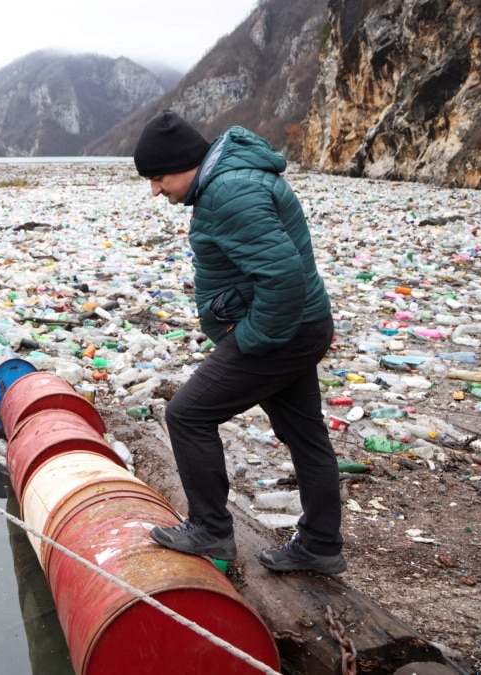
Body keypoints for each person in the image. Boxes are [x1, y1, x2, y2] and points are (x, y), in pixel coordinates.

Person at [133, 110, 345, 574]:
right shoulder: (231, 180)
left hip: (281, 332)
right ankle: (321, 544)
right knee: (305, 435)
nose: (155, 190)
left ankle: (210, 529)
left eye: (159, 177)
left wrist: (252, 339)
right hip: (303, 325)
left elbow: (282, 276)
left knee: (186, 414)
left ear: (187, 163)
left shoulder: (228, 192)